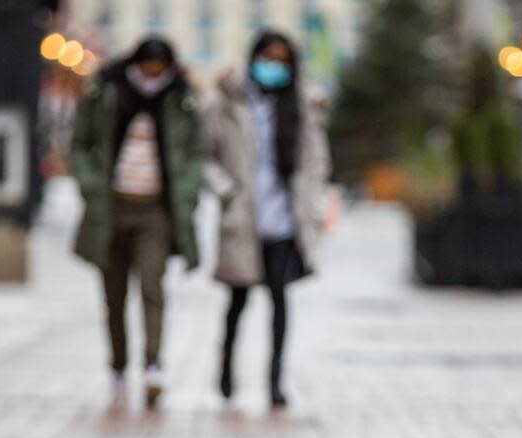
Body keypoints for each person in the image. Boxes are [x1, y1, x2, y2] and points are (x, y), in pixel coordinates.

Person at [202, 31, 331, 408]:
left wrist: (312, 201)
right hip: (243, 215)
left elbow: (317, 161)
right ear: (254, 56)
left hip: (284, 218)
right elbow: (204, 155)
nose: (274, 66)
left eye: (282, 60)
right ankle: (226, 370)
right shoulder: (229, 102)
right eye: (268, 58)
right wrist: (225, 189)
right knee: (237, 300)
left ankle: (275, 381)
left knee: (280, 299)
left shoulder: (302, 105)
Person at [71, 37, 201, 408]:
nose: (154, 74)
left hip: (155, 211)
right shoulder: (107, 91)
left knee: (152, 287)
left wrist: (188, 194)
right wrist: (91, 185)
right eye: (149, 67)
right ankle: (117, 366)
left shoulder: (179, 97)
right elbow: (80, 143)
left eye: (160, 68)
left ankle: (154, 365)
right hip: (109, 209)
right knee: (113, 295)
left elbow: (194, 152)